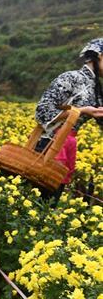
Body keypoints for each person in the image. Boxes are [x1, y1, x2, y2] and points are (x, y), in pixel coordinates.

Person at [33, 38, 103, 198]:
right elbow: (42, 110)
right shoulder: (71, 78)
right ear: (98, 56)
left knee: (52, 201)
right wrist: (81, 111)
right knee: (41, 200)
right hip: (49, 144)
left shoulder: (96, 88)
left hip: (68, 144)